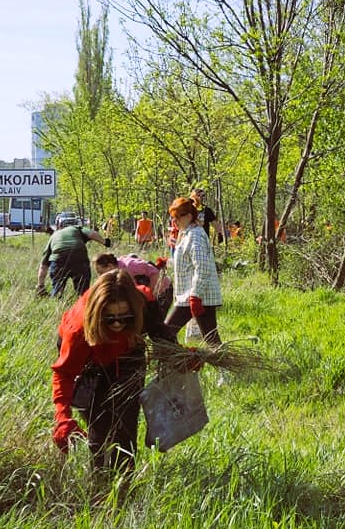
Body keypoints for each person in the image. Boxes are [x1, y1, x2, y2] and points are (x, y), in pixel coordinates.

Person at [50, 269, 175, 471]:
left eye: (124, 317)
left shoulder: (143, 302)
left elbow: (161, 334)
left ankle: (124, 481)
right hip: (92, 359)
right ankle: (100, 477)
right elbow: (64, 373)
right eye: (110, 318)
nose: (117, 323)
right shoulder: (78, 330)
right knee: (99, 428)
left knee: (125, 426)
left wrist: (182, 358)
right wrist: (62, 417)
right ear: (99, 314)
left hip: (128, 354)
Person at [165, 196, 223, 345]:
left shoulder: (195, 235)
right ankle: (183, 363)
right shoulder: (186, 234)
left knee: (165, 334)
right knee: (212, 339)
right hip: (193, 296)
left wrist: (195, 297)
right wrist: (165, 263)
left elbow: (202, 267)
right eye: (173, 217)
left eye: (178, 217)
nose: (174, 221)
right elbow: (187, 263)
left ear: (189, 216)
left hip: (195, 297)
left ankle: (179, 364)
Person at [37, 220, 112, 297]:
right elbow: (92, 234)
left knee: (58, 290)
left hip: (58, 259)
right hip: (79, 256)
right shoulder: (76, 228)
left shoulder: (53, 237)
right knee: (83, 292)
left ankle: (57, 297)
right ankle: (83, 302)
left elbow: (43, 265)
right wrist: (105, 242)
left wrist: (40, 285)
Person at [94, 252, 174, 316]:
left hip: (163, 291)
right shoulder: (116, 272)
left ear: (110, 266)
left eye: (101, 272)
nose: (101, 276)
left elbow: (155, 272)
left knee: (155, 323)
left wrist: (149, 294)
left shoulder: (130, 265)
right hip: (148, 295)